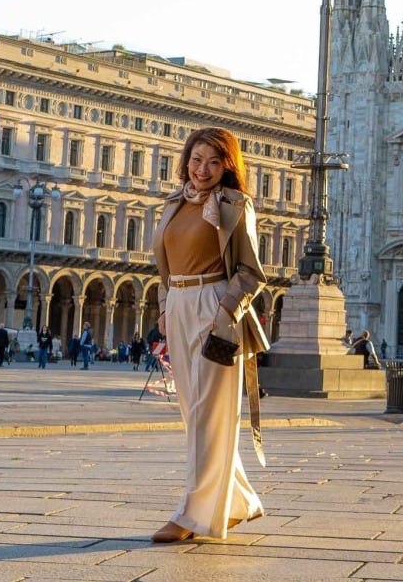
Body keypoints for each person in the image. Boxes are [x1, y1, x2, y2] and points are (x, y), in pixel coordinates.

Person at [147, 126, 269, 544]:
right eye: (197, 160)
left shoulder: (236, 205)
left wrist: (224, 311)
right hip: (179, 305)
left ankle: (193, 515)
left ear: (227, 167)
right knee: (196, 414)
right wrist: (165, 308)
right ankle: (237, 502)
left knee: (206, 415)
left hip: (214, 306)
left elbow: (251, 272)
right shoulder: (173, 203)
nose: (203, 169)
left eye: (214, 162)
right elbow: (165, 267)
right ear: (186, 160)